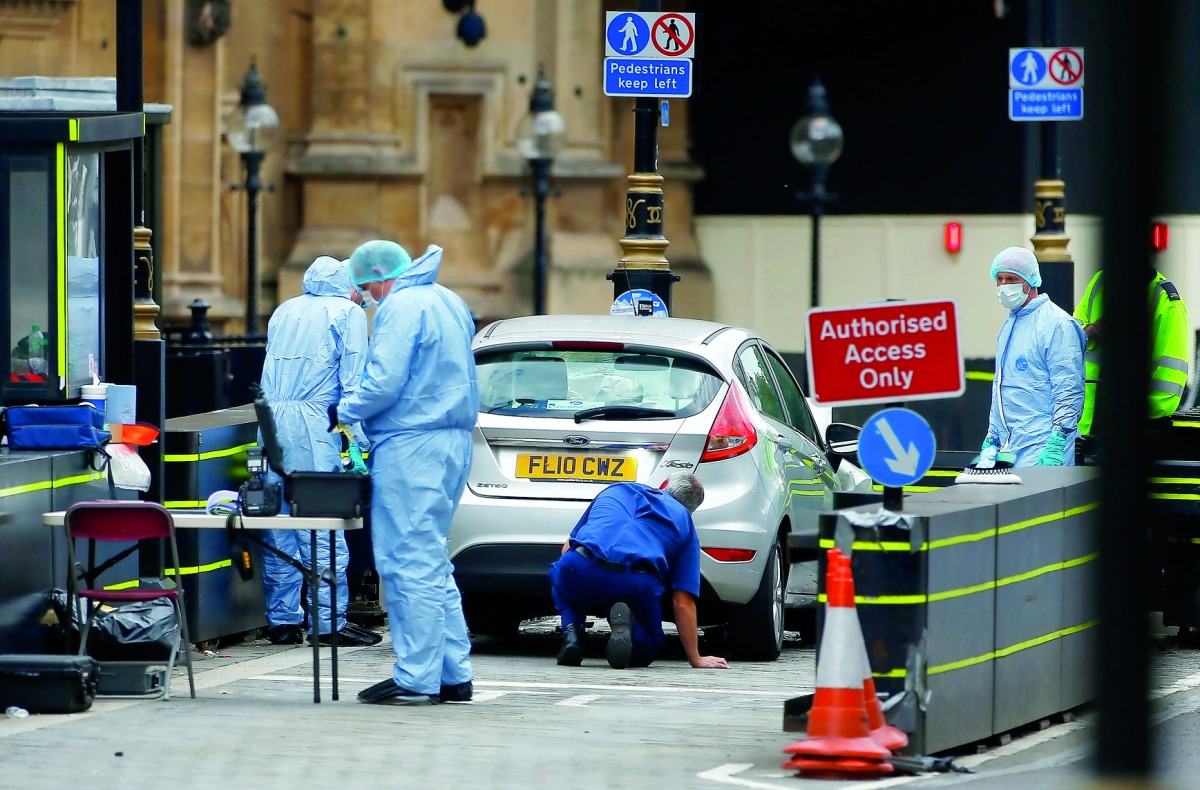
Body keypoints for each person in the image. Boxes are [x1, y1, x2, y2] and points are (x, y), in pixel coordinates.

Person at [334, 240, 479, 706]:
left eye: (365, 288)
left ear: (377, 278)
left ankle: (417, 677)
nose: (369, 298)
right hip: (452, 441)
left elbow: (384, 382)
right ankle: (453, 673)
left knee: (405, 561)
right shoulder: (447, 299)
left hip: (412, 443)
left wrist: (344, 409)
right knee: (432, 560)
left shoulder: (402, 306)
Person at [258, 256, 375, 646]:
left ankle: (283, 621)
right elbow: (353, 383)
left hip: (273, 423)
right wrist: (361, 440)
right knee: (323, 523)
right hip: (315, 426)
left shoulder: (285, 309)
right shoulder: (348, 314)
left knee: (277, 523)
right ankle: (328, 624)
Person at [548, 473, 730, 671]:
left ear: (665, 485)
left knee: (562, 576)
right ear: (691, 509)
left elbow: (567, 549)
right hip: (635, 581)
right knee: (651, 642)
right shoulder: (684, 521)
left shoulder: (617, 489)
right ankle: (632, 640)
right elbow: (683, 602)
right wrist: (696, 658)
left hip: (581, 565)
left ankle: (573, 632)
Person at [980, 246, 1086, 468]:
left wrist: (1057, 441)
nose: (1002, 286)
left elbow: (1069, 390)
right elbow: (1001, 389)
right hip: (1011, 450)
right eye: (999, 279)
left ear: (1030, 281)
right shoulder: (1010, 325)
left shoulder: (1057, 325)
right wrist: (992, 438)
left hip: (1045, 449)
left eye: (1011, 279)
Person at [1072, 267, 1190, 436]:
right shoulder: (1100, 281)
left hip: (1130, 437)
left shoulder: (1167, 302)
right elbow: (1070, 338)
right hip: (1083, 430)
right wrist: (1091, 331)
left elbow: (1167, 392)